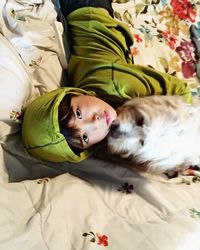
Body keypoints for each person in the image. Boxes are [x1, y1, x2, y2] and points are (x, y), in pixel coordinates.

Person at [22, 0, 193, 163]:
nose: (95, 122)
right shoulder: (108, 138)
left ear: (75, 93)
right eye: (85, 137)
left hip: (88, 8)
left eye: (79, 113)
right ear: (87, 149)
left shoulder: (113, 83)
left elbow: (180, 90)